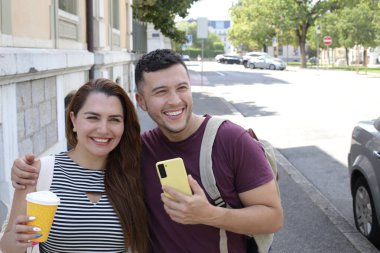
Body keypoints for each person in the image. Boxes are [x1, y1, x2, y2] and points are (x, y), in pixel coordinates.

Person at [9, 49, 283, 253]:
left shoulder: (231, 140)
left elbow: (274, 218)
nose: (174, 100)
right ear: (141, 101)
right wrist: (24, 169)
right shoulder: (138, 151)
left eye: (182, 88)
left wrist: (208, 214)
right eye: (161, 91)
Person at [0, 79, 149, 253]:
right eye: (93, 117)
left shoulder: (134, 173)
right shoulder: (38, 172)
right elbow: (8, 246)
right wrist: (18, 239)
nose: (103, 129)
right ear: (74, 119)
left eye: (114, 120)